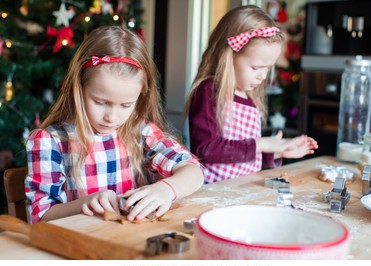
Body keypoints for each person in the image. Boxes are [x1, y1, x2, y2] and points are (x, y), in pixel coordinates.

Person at [25, 25, 204, 224]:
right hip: (80, 246)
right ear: (79, 88)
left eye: (126, 105)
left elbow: (193, 171)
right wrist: (85, 203)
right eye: (101, 102)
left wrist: (166, 189)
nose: (112, 117)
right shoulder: (50, 142)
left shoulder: (140, 132)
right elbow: (40, 216)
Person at [184, 5, 318, 184]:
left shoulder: (251, 97)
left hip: (242, 190)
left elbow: (244, 159)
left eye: (267, 68)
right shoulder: (210, 90)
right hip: (214, 192)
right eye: (256, 68)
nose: (263, 76)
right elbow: (206, 149)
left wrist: (279, 151)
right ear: (229, 56)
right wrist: (262, 144)